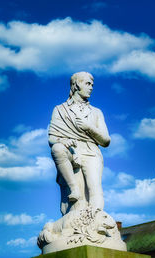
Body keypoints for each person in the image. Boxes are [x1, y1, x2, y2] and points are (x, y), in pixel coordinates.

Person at [48, 72, 110, 215]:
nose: (91, 88)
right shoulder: (60, 109)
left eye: (92, 85)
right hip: (71, 151)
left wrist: (89, 127)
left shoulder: (96, 112)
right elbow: (52, 138)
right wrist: (62, 141)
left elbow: (106, 141)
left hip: (91, 150)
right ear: (76, 85)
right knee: (57, 148)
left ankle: (95, 219)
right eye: (88, 84)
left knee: (94, 188)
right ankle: (73, 188)